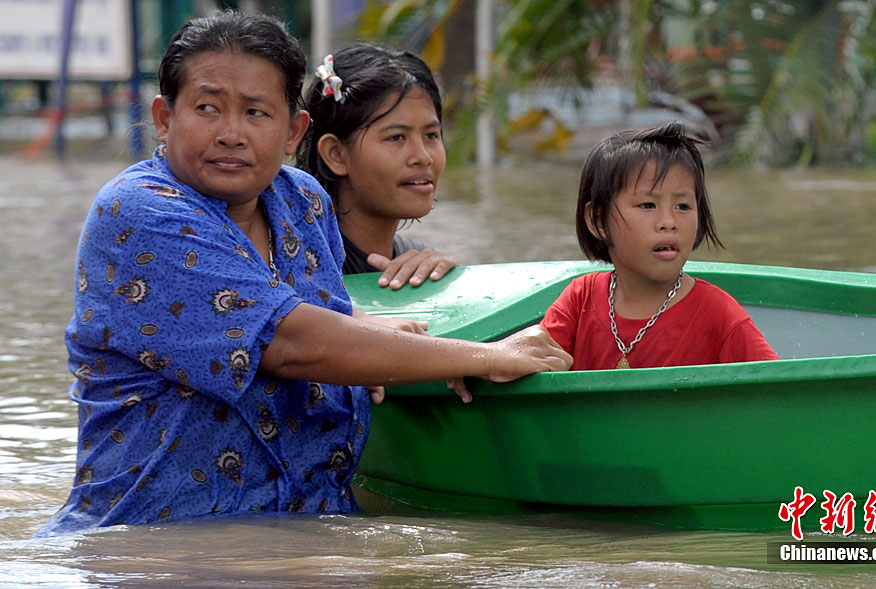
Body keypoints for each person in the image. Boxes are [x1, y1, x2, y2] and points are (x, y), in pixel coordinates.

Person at [38, 10, 571, 537]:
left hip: (310, 529)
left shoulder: (303, 200)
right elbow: (294, 342)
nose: (231, 133)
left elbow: (320, 315)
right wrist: (483, 356)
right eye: (207, 108)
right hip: (156, 543)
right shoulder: (140, 210)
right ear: (164, 117)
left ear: (294, 130)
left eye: (256, 112)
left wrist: (378, 333)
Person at [541, 122, 779, 370]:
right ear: (598, 220)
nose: (668, 222)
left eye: (682, 206)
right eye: (648, 205)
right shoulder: (580, 299)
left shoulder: (719, 314)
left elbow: (776, 385)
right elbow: (534, 359)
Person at [295, 43, 457, 290]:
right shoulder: (295, 270)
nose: (423, 157)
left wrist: (446, 285)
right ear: (336, 154)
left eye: (431, 135)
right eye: (396, 137)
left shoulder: (419, 262)